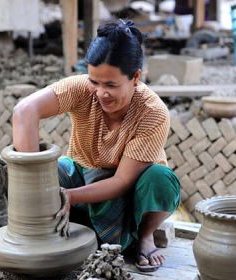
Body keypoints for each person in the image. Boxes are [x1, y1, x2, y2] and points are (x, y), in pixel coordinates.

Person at [12, 19, 181, 272]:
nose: (101, 92)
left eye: (111, 85)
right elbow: (25, 110)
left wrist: (68, 196)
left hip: (131, 192)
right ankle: (61, 228)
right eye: (95, 81)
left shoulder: (152, 112)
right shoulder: (81, 89)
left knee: (161, 179)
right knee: (54, 169)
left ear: (136, 77)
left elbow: (121, 182)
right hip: (84, 177)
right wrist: (34, 188)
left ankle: (144, 235)